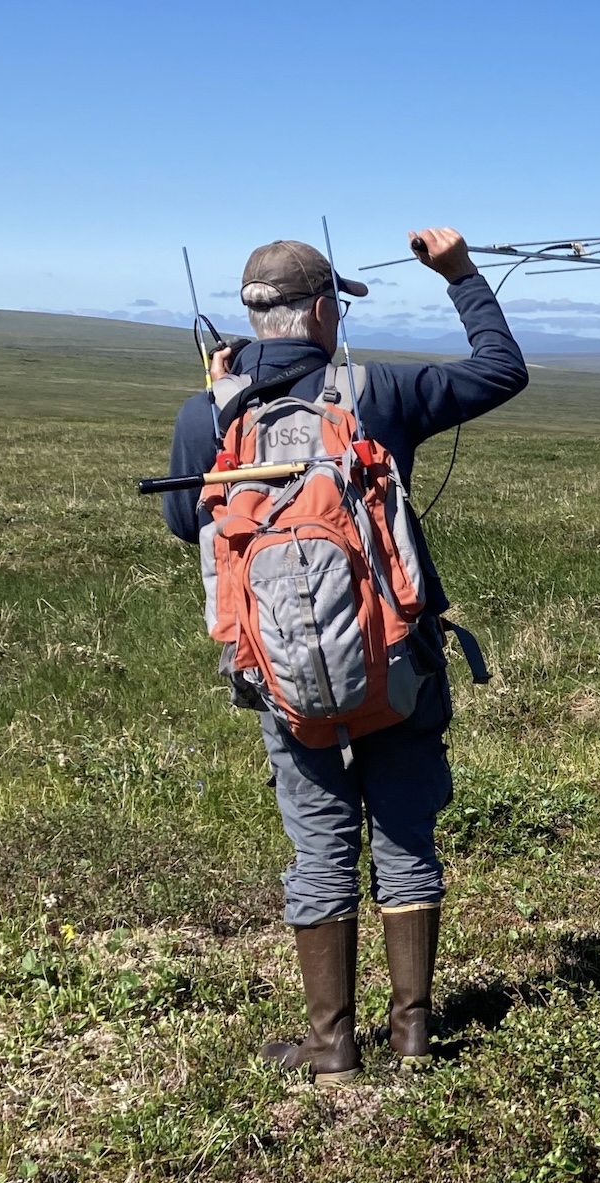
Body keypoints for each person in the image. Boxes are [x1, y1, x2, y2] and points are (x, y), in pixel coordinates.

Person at [161, 230, 527, 1083]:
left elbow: (190, 526)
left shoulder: (205, 411)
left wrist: (218, 402)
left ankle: (331, 1044)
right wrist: (461, 275)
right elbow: (500, 371)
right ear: (324, 309)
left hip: (281, 675)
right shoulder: (378, 390)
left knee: (320, 844)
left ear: (254, 316)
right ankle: (413, 1034)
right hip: (398, 659)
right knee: (404, 831)